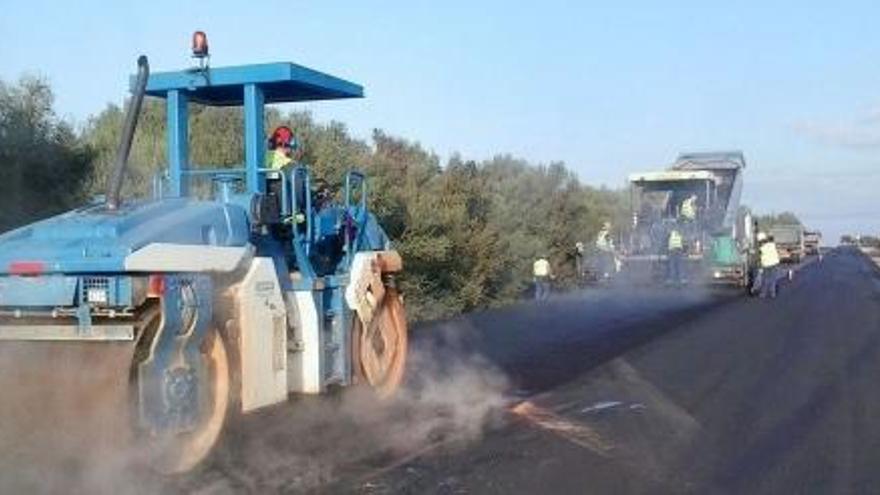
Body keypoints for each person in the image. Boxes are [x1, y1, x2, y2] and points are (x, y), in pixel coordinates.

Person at [752, 232, 782, 298]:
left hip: (766, 265)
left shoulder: (761, 248)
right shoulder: (772, 244)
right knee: (773, 279)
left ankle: (763, 294)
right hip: (774, 264)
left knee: (765, 279)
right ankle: (772, 293)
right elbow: (772, 238)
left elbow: (757, 257)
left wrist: (758, 265)